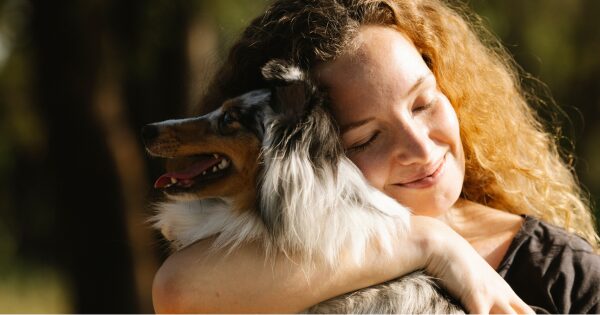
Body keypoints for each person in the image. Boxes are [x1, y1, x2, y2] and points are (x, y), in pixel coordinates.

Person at [152, 0, 600, 313]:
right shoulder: (279, 255)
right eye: (366, 139)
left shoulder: (566, 275)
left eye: (424, 103)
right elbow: (179, 291)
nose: (421, 148)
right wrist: (430, 243)